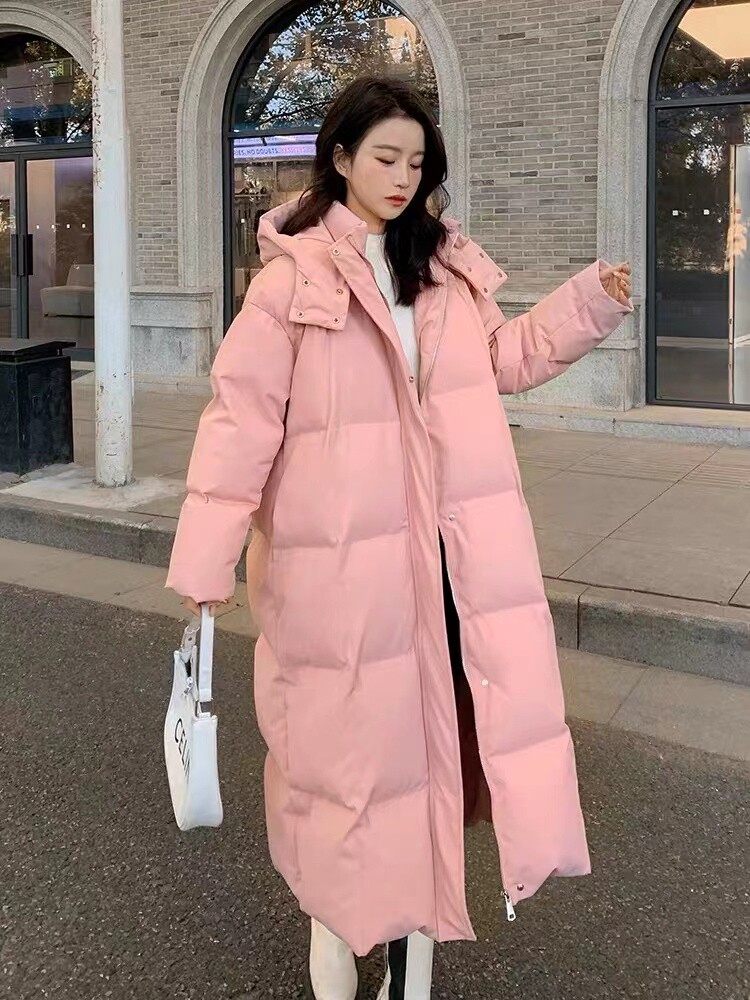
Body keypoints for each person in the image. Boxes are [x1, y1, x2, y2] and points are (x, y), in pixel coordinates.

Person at [165, 76, 633, 999]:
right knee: (347, 782)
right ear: (339, 157)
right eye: (384, 157)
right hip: (342, 581)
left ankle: (410, 971)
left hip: (450, 573)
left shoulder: (445, 273)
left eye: (417, 163)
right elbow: (238, 424)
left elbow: (501, 360)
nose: (402, 177)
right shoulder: (290, 284)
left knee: (428, 777)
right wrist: (204, 561)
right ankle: (337, 952)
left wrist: (586, 302)